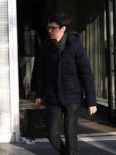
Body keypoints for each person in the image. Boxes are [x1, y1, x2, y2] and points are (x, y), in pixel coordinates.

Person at [35, 12, 97, 155]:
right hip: (52, 95)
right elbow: (40, 72)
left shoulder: (75, 46)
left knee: (70, 134)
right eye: (48, 27)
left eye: (53, 28)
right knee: (52, 133)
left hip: (72, 95)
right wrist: (39, 94)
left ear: (63, 29)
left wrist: (91, 101)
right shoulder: (45, 46)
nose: (49, 30)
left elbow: (86, 73)